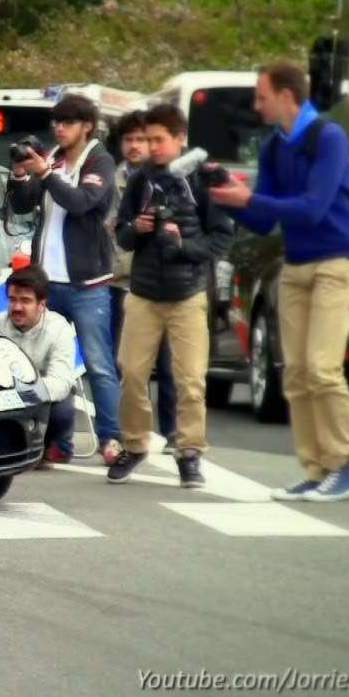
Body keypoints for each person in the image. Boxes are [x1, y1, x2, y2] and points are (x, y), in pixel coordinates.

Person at [209, 60, 349, 502]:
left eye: (261, 97)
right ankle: (316, 470)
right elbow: (263, 220)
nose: (256, 105)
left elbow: (314, 207)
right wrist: (228, 198)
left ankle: (343, 466)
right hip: (296, 264)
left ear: (286, 95)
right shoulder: (273, 147)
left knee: (322, 366)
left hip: (338, 260)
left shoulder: (328, 137)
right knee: (295, 371)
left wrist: (251, 197)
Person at [110, 104, 236, 487]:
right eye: (148, 140)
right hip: (144, 292)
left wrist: (185, 247)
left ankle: (189, 452)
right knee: (132, 372)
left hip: (187, 293)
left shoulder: (200, 179)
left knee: (191, 380)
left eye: (159, 140)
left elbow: (223, 236)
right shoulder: (140, 180)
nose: (152, 147)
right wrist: (137, 227)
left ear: (180, 138)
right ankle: (134, 445)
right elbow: (121, 234)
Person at [7, 94, 123, 465]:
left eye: (67, 122)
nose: (59, 128)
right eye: (56, 122)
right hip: (46, 281)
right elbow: (23, 205)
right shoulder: (53, 158)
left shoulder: (99, 160)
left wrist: (45, 173)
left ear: (86, 126)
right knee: (44, 363)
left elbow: (81, 202)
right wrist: (19, 174)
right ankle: (58, 442)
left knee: (98, 364)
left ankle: (111, 439)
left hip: (87, 282)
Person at [111, 109, 177, 455]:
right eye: (130, 139)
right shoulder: (112, 179)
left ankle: (173, 431)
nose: (136, 146)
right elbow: (116, 229)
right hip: (117, 280)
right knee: (127, 364)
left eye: (143, 139)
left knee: (167, 364)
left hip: (160, 282)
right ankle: (130, 433)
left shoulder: (168, 178)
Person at [0, 266, 77, 468]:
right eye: (13, 300)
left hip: (41, 398)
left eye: (25, 301)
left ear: (42, 304)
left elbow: (61, 382)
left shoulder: (59, 329)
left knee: (63, 410)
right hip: (5, 397)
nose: (17, 307)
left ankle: (51, 446)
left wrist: (26, 393)